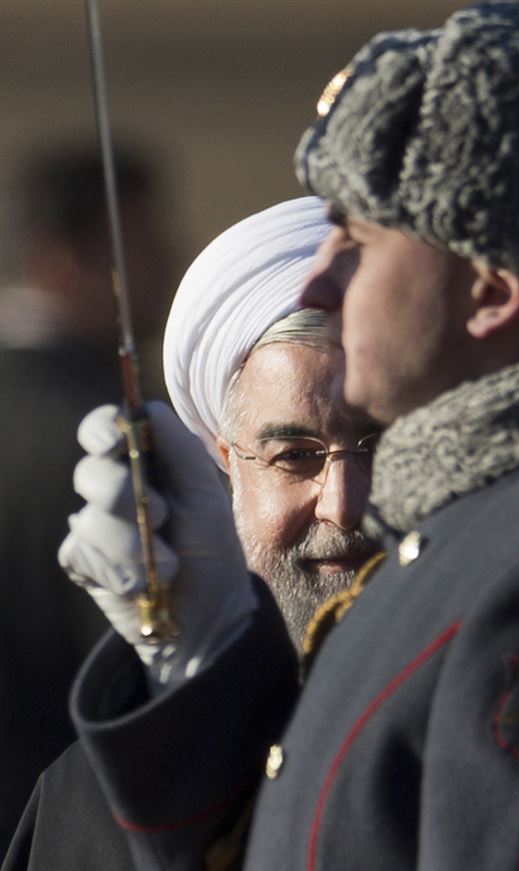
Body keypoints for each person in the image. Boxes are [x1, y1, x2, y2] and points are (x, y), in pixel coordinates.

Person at [11, 2, 519, 869]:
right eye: (292, 453)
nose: (325, 271)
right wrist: (188, 676)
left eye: (361, 237)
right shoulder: (469, 565)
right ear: (221, 461)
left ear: (493, 293)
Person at [2, 196, 381, 869]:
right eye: (294, 456)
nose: (344, 506)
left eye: (386, 446)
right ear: (226, 469)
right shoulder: (100, 795)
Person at [0, 143, 175, 858]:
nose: (168, 261)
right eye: (141, 241)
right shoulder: (110, 428)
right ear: (61, 256)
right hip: (69, 820)